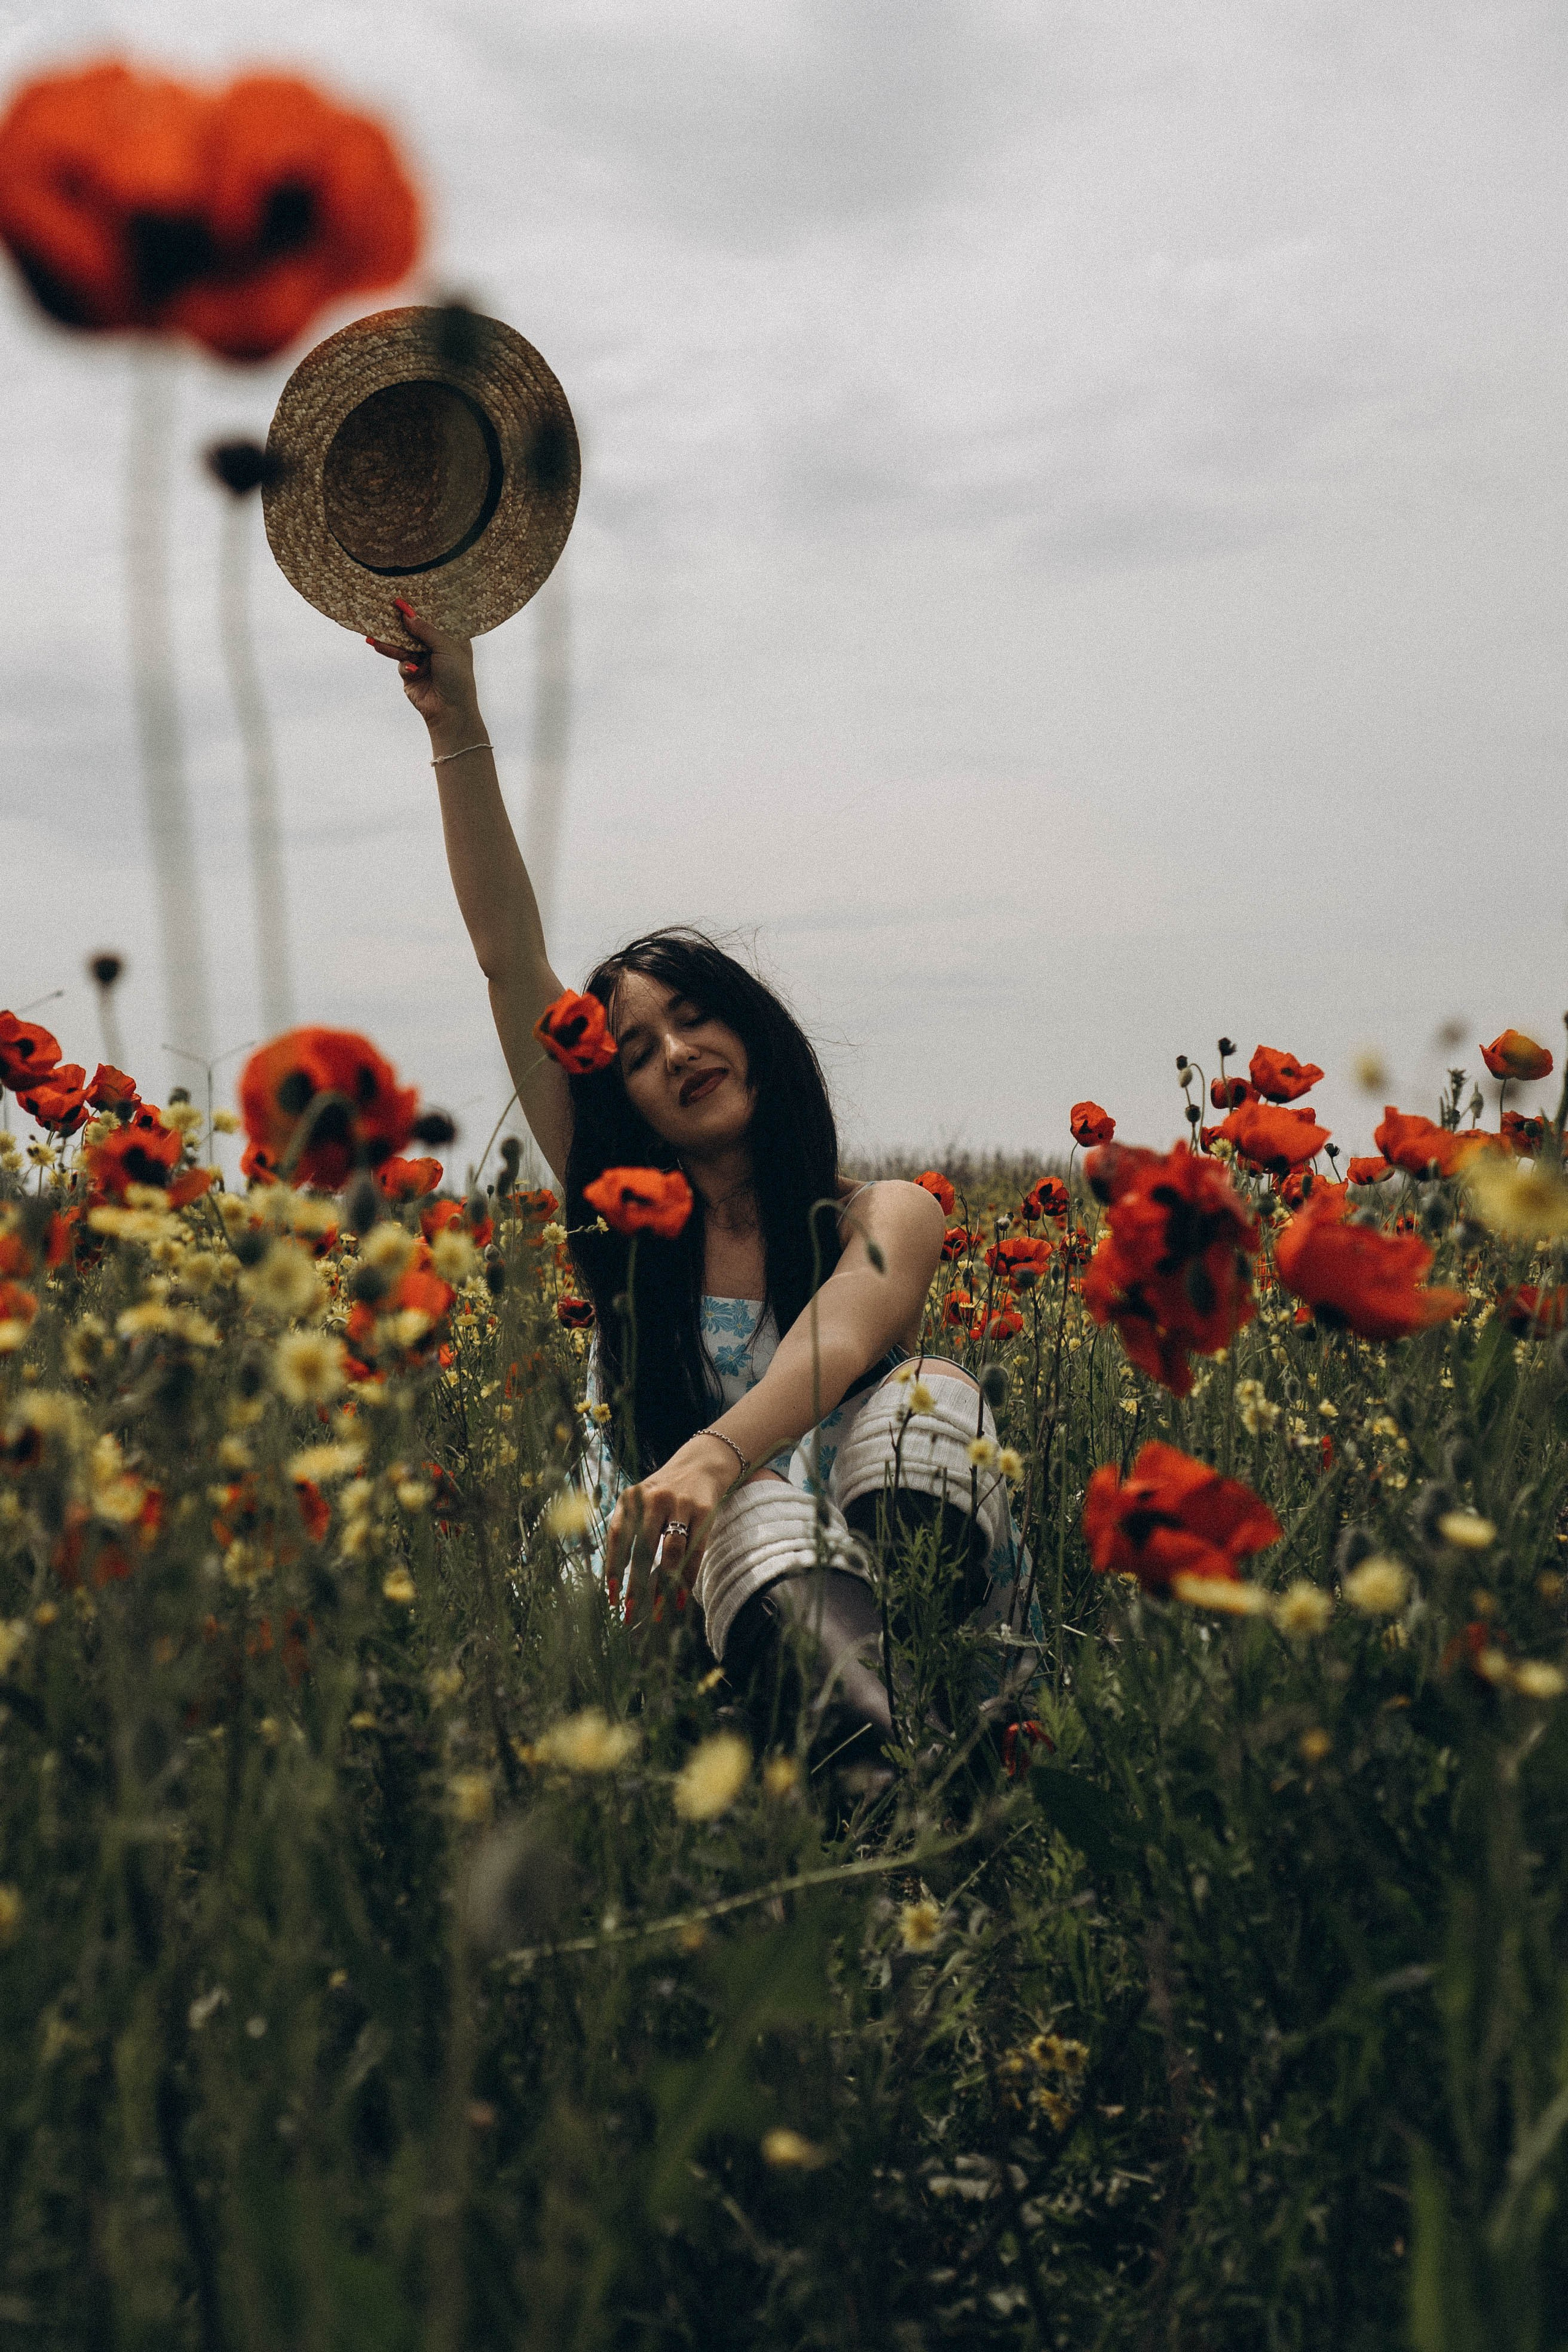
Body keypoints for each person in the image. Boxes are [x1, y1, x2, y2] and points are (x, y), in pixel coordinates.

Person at [369, 600, 1027, 1763]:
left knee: (927, 1402)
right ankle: (867, 1789)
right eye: (634, 1049)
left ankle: (938, 1723)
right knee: (755, 1509)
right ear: (619, 1094)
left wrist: (721, 1451)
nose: (675, 1051)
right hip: (683, 1600)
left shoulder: (886, 1216)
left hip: (853, 1555)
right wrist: (453, 717)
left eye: (693, 1014)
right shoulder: (626, 1229)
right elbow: (508, 955)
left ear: (754, 1027)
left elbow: (834, 1346)